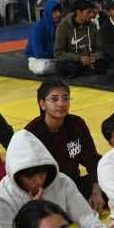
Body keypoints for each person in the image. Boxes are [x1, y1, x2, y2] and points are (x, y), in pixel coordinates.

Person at [24, 80, 105, 211]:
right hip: (46, 192)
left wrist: (96, 191)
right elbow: (28, 176)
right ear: (42, 104)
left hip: (73, 185)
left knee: (111, 183)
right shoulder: (31, 133)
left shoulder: (77, 124)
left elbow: (92, 160)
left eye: (65, 98)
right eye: (54, 99)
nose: (61, 104)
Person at [53, 0, 103, 77]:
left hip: (90, 59)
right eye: (88, 12)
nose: (91, 15)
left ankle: (83, 70)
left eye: (92, 12)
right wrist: (79, 58)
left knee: (107, 61)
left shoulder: (93, 25)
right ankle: (85, 70)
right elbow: (58, 53)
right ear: (79, 12)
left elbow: (99, 48)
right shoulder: (63, 26)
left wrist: (94, 57)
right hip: (73, 60)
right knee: (62, 67)